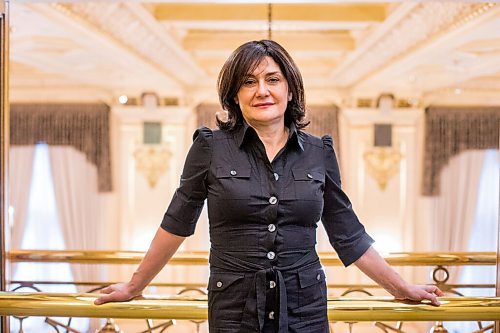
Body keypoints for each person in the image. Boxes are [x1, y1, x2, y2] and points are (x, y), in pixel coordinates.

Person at [95, 40, 443, 332]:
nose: (262, 90)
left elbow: (347, 233)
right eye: (248, 82)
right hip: (233, 307)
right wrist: (134, 285)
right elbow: (176, 222)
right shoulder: (210, 147)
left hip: (305, 306)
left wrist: (401, 287)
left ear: (290, 90)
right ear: (234, 95)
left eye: (272, 79)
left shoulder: (320, 152)